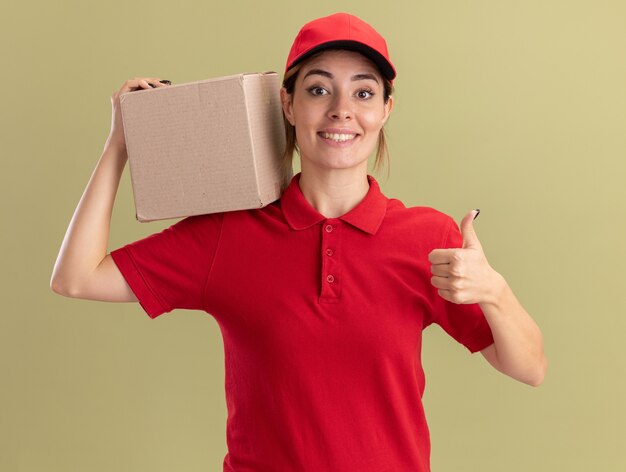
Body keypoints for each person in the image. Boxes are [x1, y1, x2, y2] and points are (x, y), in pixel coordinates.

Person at [51, 12, 546, 472]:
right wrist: (120, 143)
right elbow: (76, 277)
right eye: (318, 89)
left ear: (386, 109)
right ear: (288, 104)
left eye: (364, 93)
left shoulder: (429, 238)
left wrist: (495, 291)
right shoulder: (229, 234)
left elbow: (530, 368)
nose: (341, 111)